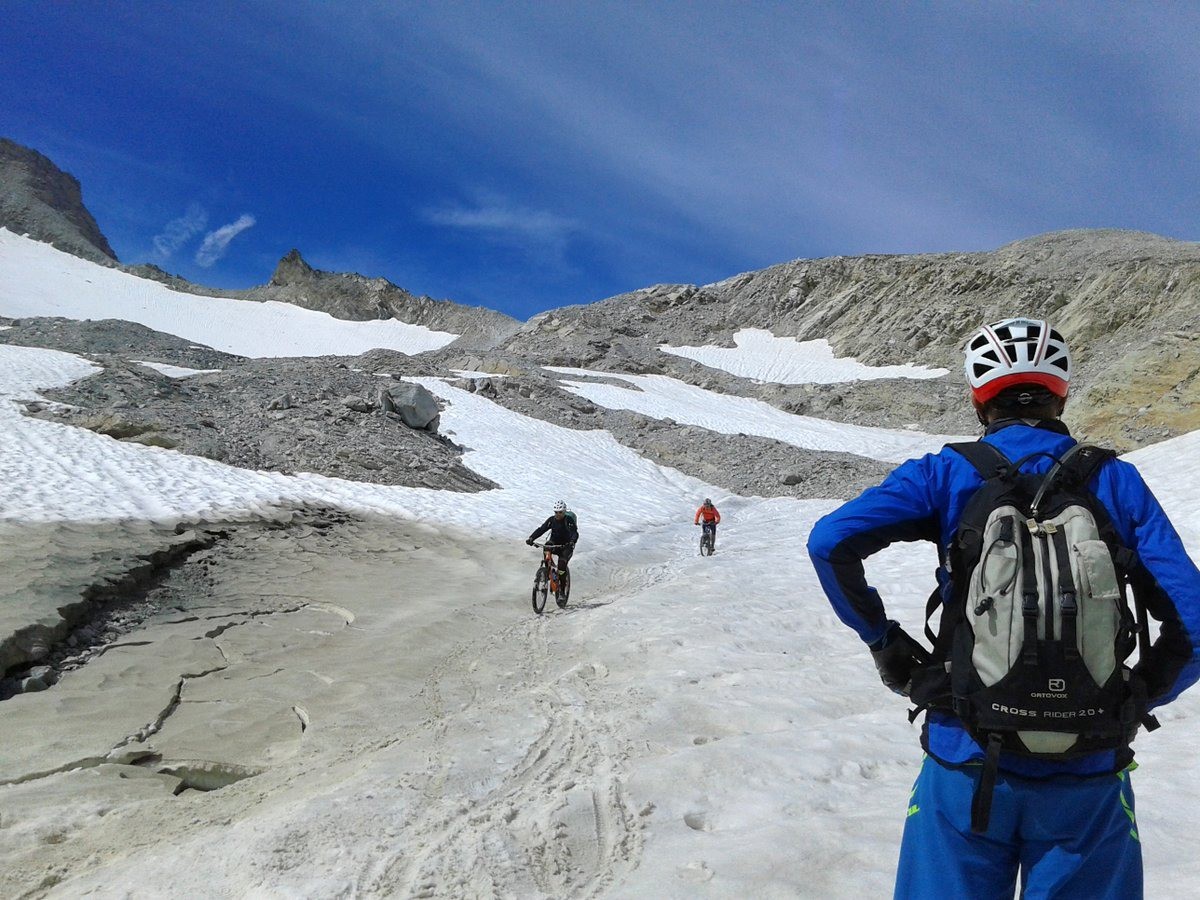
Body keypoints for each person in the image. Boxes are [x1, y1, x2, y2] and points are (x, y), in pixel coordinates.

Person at [807, 317, 1200, 899]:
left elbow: (831, 542)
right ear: (1059, 391)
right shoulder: (1116, 480)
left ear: (978, 399)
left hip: (963, 751)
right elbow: (1193, 616)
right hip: (1089, 769)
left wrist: (884, 641)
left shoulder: (947, 472)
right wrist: (1135, 694)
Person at [526, 500, 578, 605]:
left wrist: (572, 542)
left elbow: (574, 533)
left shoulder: (569, 521)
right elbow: (541, 529)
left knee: (562, 566)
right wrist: (531, 538)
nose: (558, 515)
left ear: (564, 512)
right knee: (547, 546)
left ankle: (562, 592)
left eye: (560, 512)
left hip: (566, 546)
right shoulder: (551, 520)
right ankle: (546, 572)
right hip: (555, 544)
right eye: (556, 512)